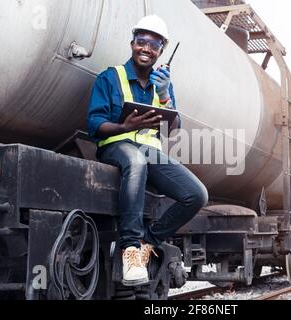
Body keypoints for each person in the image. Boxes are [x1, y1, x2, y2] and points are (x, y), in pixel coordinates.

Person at [87, 15, 208, 286]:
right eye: (141, 42)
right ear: (132, 43)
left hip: (150, 154)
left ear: (161, 51)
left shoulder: (162, 83)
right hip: (117, 148)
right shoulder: (110, 77)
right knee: (136, 160)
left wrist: (165, 95)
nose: (147, 49)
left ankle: (145, 244)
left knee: (197, 194)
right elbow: (94, 125)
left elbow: (174, 126)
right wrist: (123, 126)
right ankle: (129, 249)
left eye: (154, 45)